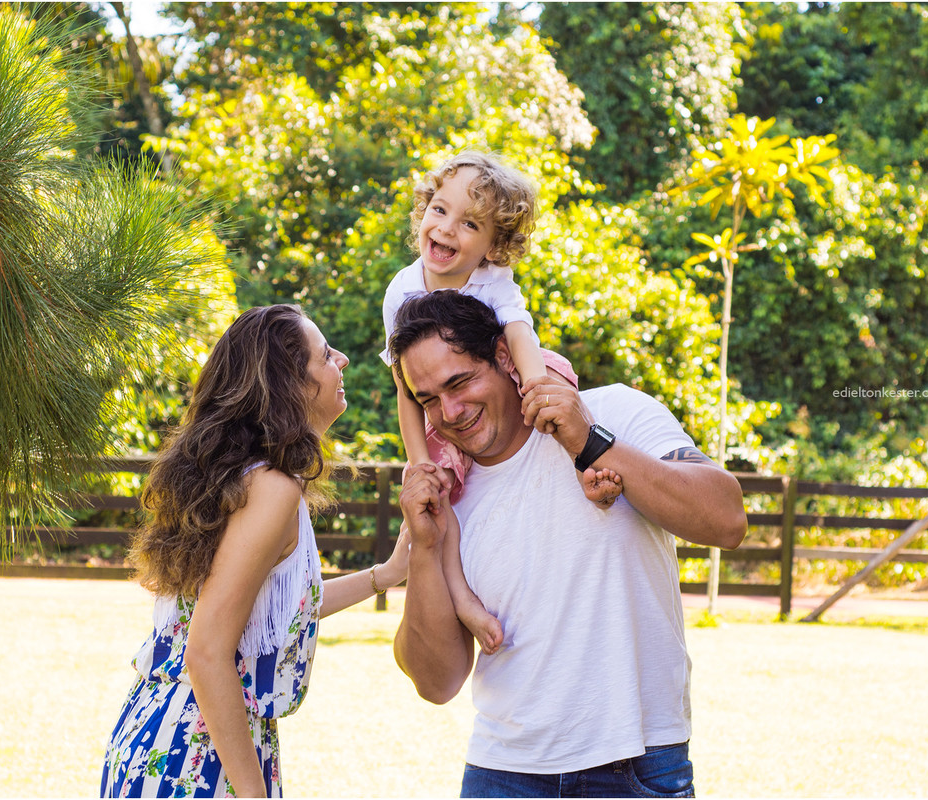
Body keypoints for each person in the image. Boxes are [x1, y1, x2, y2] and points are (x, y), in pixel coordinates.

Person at [387, 291, 747, 798]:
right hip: (501, 774)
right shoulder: (448, 491)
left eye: (460, 381)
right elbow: (435, 682)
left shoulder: (612, 410)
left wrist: (589, 441)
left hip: (636, 766)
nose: (449, 411)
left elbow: (727, 520)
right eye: (428, 399)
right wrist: (424, 548)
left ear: (505, 358)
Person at [101, 305, 409, 798]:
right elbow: (205, 652)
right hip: (195, 749)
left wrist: (386, 574)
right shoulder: (272, 487)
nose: (344, 360)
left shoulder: (253, 479)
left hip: (171, 732)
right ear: (291, 383)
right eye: (326, 355)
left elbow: (272, 615)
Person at [380, 150, 622, 654]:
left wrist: (542, 392)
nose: (446, 229)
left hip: (505, 376)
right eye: (439, 210)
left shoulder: (492, 281)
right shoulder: (402, 291)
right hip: (441, 414)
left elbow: (518, 333)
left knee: (555, 379)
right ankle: (464, 596)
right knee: (439, 501)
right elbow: (407, 389)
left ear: (494, 247)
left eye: (471, 224)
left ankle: (587, 466)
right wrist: (419, 463)